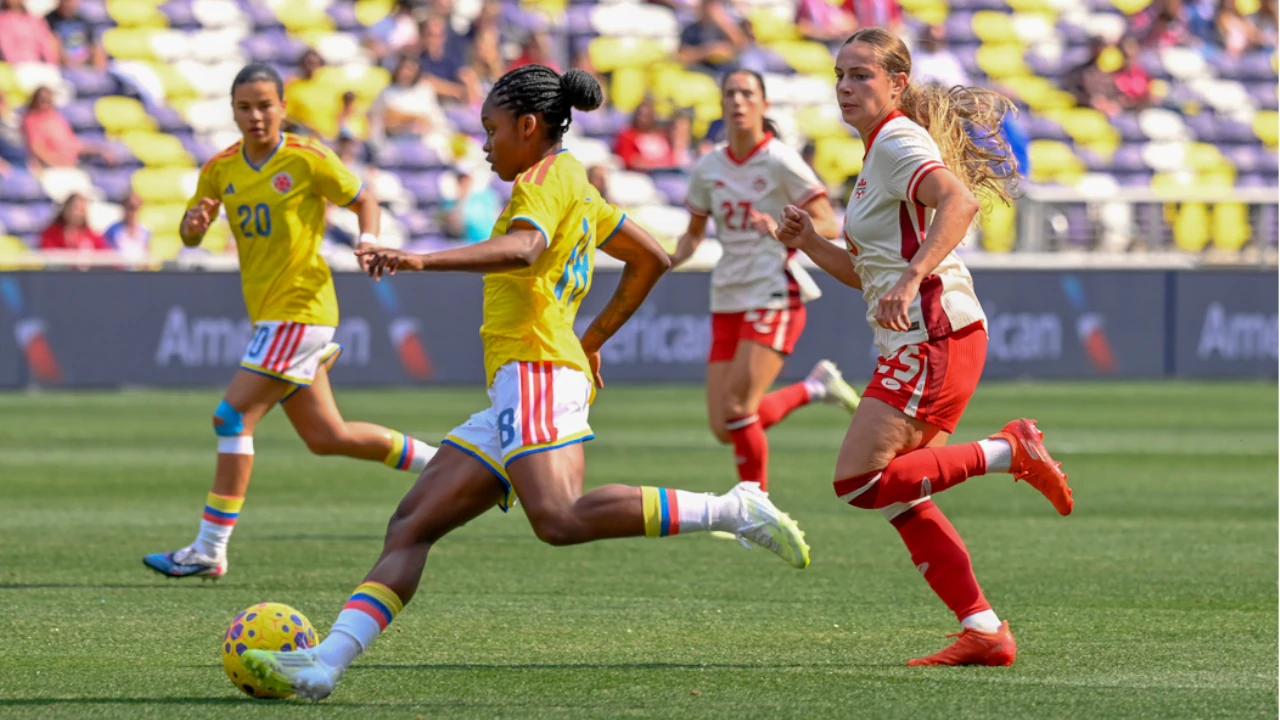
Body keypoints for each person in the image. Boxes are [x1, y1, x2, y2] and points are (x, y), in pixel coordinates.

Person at [241, 65, 811, 701]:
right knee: (410, 525)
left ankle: (735, 509)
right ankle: (324, 665)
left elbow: (525, 250)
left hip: (538, 373)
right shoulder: (571, 181)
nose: (485, 144)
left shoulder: (543, 179)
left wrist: (419, 258)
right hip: (522, 383)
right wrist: (590, 341)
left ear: (528, 126)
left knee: (559, 518)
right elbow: (651, 256)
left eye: (491, 130)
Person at [775, 28, 1074, 666]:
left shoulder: (896, 141)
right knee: (902, 493)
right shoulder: (876, 156)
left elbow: (959, 202)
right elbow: (865, 272)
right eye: (840, 75)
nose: (846, 87)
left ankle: (1009, 450)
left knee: (858, 482)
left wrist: (914, 277)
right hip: (922, 336)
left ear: (896, 84)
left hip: (934, 332)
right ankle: (985, 630)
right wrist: (810, 243)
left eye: (862, 75)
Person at [142, 64, 439, 580]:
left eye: (264, 105)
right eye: (244, 107)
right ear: (232, 110)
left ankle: (209, 548)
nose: (255, 116)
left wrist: (368, 241)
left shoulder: (305, 158)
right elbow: (192, 232)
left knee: (231, 417)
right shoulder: (219, 169)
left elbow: (363, 198)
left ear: (283, 107)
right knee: (329, 436)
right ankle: (452, 467)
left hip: (301, 309)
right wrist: (192, 227)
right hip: (275, 317)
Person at [670, 68, 861, 497]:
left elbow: (829, 223)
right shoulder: (708, 167)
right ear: (721, 104)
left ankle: (754, 507)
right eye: (731, 93)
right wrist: (662, 260)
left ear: (764, 104)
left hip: (773, 289)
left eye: (747, 93)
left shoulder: (779, 160)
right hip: (727, 294)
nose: (738, 101)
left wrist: (780, 225)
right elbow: (693, 235)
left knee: (739, 409)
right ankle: (815, 388)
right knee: (725, 425)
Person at [44, 0, 107, 71]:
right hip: (64, 69)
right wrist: (73, 65)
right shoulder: (48, 21)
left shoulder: (84, 20)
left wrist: (99, 72)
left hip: (85, 67)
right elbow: (53, 49)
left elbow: (96, 47)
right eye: (67, 1)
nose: (69, 3)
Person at [39, 192, 106, 250]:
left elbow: (104, 256)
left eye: (82, 209)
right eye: (75, 208)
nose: (78, 213)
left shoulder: (91, 235)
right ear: (66, 208)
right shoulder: (52, 233)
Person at [0, 0, 58, 64]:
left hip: (39, 66)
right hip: (15, 67)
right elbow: (7, 49)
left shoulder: (34, 19)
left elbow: (45, 44)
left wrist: (51, 64)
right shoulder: (2, 20)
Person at [103, 191, 150, 262]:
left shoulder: (146, 232)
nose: (133, 212)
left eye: (136, 207)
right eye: (130, 207)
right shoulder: (112, 231)